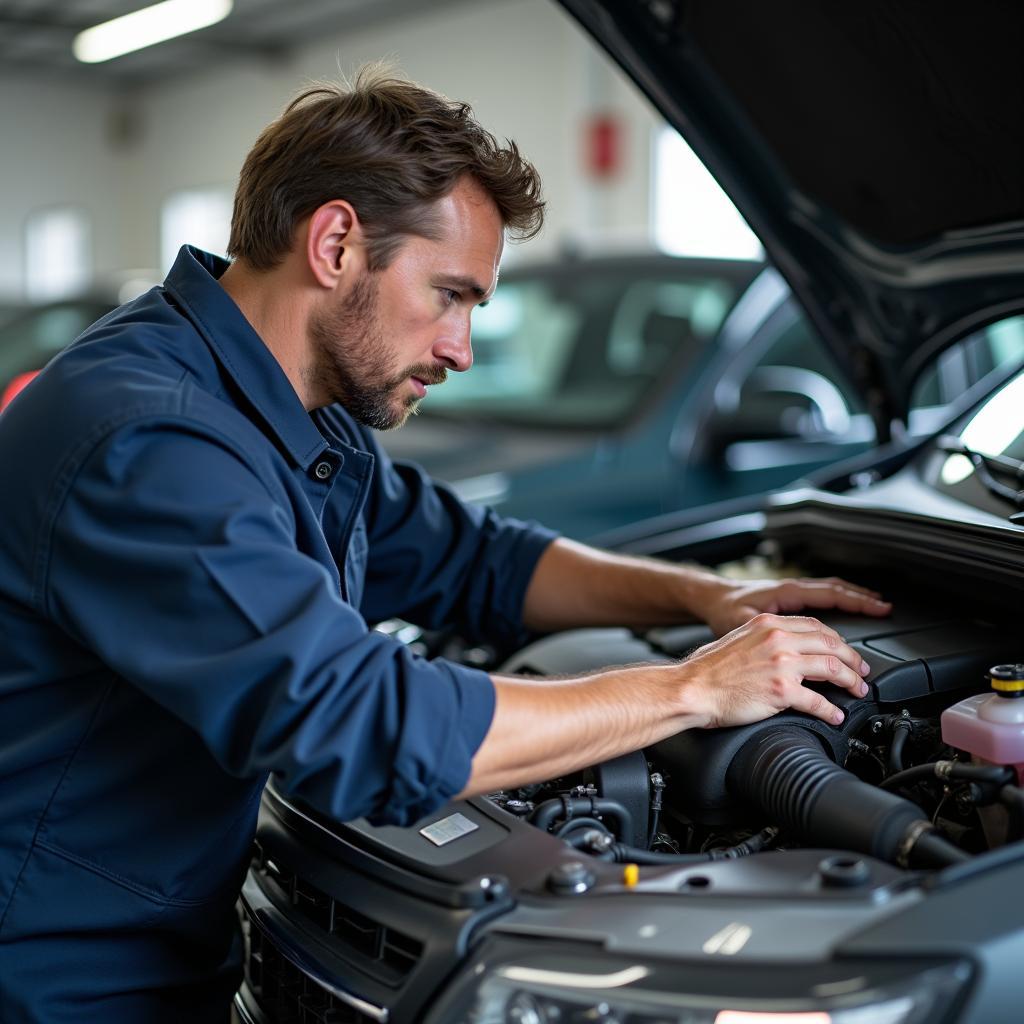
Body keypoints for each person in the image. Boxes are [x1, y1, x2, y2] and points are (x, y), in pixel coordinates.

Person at [0, 67, 890, 1022]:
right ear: (336, 243)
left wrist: (704, 600)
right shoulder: (148, 437)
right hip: (58, 976)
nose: (463, 348)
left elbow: (477, 560)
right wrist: (691, 689)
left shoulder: (293, 408)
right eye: (451, 295)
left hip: (173, 934)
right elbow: (360, 725)